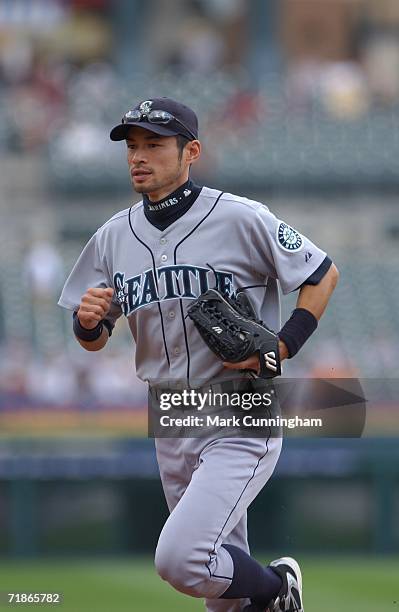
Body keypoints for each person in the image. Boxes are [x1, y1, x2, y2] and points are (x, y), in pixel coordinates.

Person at [58, 97, 339, 612]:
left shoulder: (241, 217)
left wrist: (281, 346)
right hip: (168, 415)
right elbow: (92, 340)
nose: (138, 157)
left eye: (154, 145)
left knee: (182, 560)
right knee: (218, 581)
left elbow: (322, 275)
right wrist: (87, 321)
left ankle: (278, 589)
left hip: (238, 409)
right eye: (133, 146)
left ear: (191, 151)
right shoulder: (111, 239)